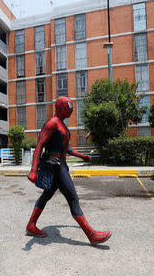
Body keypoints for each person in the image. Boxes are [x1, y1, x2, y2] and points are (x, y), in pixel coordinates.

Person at [25, 96, 111, 245]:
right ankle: (92, 235)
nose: (70, 110)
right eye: (68, 107)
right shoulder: (52, 124)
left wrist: (81, 156)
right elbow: (39, 146)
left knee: (46, 195)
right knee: (73, 198)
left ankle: (31, 225)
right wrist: (33, 170)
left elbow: (67, 149)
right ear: (60, 108)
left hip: (61, 165)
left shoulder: (62, 126)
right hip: (55, 167)